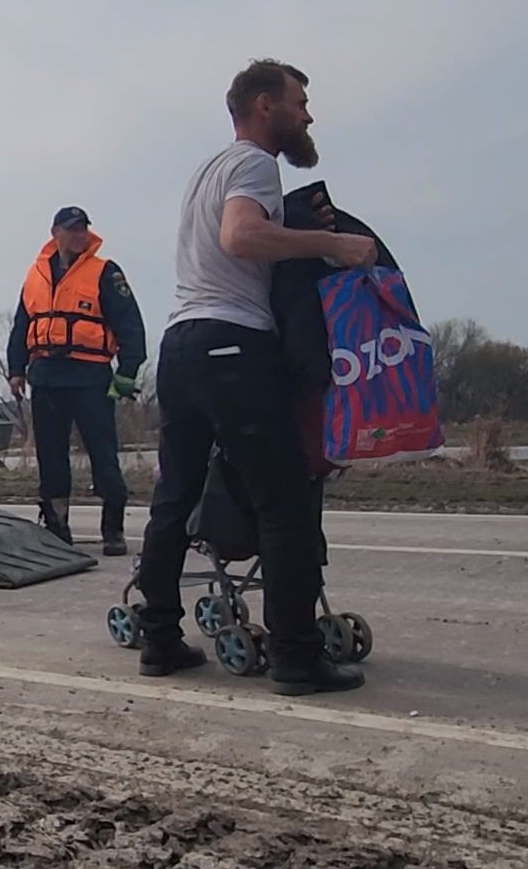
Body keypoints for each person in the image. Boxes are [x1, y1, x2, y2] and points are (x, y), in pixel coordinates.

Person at [134, 59, 377, 696]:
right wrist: (332, 246)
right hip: (231, 346)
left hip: (181, 345)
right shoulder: (253, 164)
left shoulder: (204, 172)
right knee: (285, 503)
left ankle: (159, 639)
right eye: (301, 101)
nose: (309, 114)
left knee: (175, 498)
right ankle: (297, 658)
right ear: (265, 104)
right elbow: (242, 236)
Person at [6, 206, 148, 556]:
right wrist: (16, 369)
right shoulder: (36, 275)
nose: (78, 234)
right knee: (51, 456)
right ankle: (57, 527)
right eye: (71, 229)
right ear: (55, 232)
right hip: (46, 378)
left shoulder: (105, 273)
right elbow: (22, 325)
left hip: (90, 377)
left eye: (83, 228)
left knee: (103, 453)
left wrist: (127, 372)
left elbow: (130, 324)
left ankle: (113, 530)